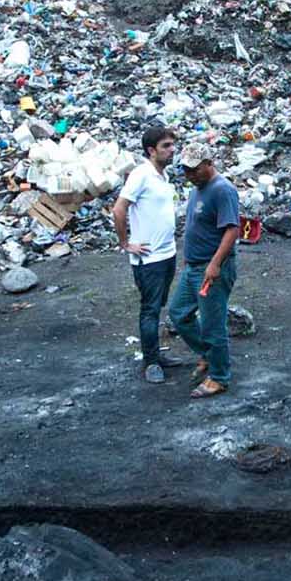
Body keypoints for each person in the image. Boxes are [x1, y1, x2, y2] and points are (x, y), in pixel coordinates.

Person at [167, 143, 242, 399]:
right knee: (179, 314)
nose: (189, 175)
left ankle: (220, 376)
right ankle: (209, 355)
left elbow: (232, 229)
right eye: (186, 170)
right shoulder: (197, 189)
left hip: (212, 269)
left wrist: (214, 264)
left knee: (213, 324)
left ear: (209, 164)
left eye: (194, 170)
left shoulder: (222, 190)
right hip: (194, 266)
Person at [113, 127, 182, 383]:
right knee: (150, 309)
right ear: (151, 150)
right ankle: (151, 361)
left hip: (167, 254)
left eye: (173, 144)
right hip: (148, 259)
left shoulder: (161, 176)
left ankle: (156, 354)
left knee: (158, 305)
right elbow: (119, 210)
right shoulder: (141, 174)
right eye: (166, 146)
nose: (172, 149)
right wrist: (125, 243)